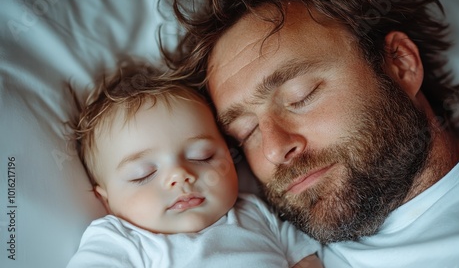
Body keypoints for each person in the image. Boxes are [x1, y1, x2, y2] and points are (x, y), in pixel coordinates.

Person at [163, 0, 459, 267]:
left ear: (400, 63)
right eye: (245, 133)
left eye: (300, 96)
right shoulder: (269, 250)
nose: (274, 149)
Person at [66, 62, 322, 267]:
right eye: (144, 174)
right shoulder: (122, 241)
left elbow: (304, 256)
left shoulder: (255, 212)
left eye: (202, 157)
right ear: (106, 200)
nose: (180, 175)